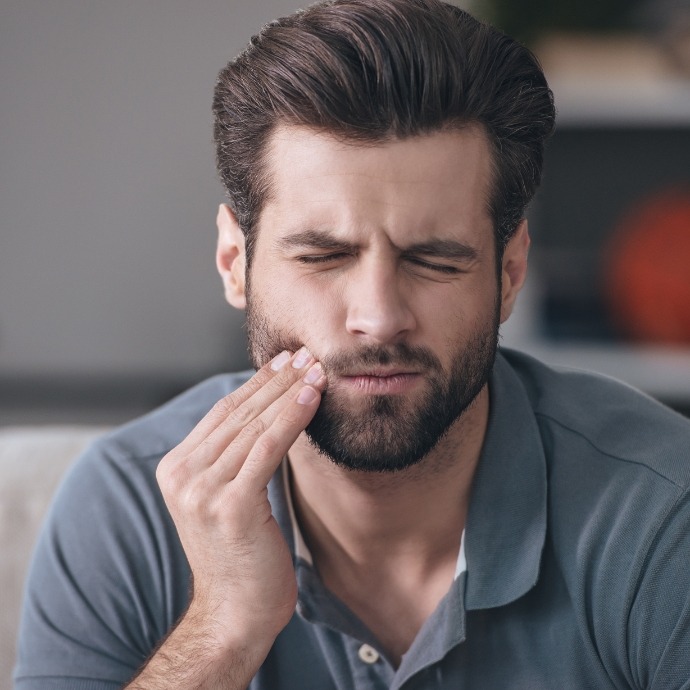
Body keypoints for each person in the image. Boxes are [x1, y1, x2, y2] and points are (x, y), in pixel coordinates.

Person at [14, 0, 690, 688]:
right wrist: (222, 632)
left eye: (434, 260)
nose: (378, 318)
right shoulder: (124, 509)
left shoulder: (661, 514)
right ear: (233, 263)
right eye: (323, 256)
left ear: (509, 272)